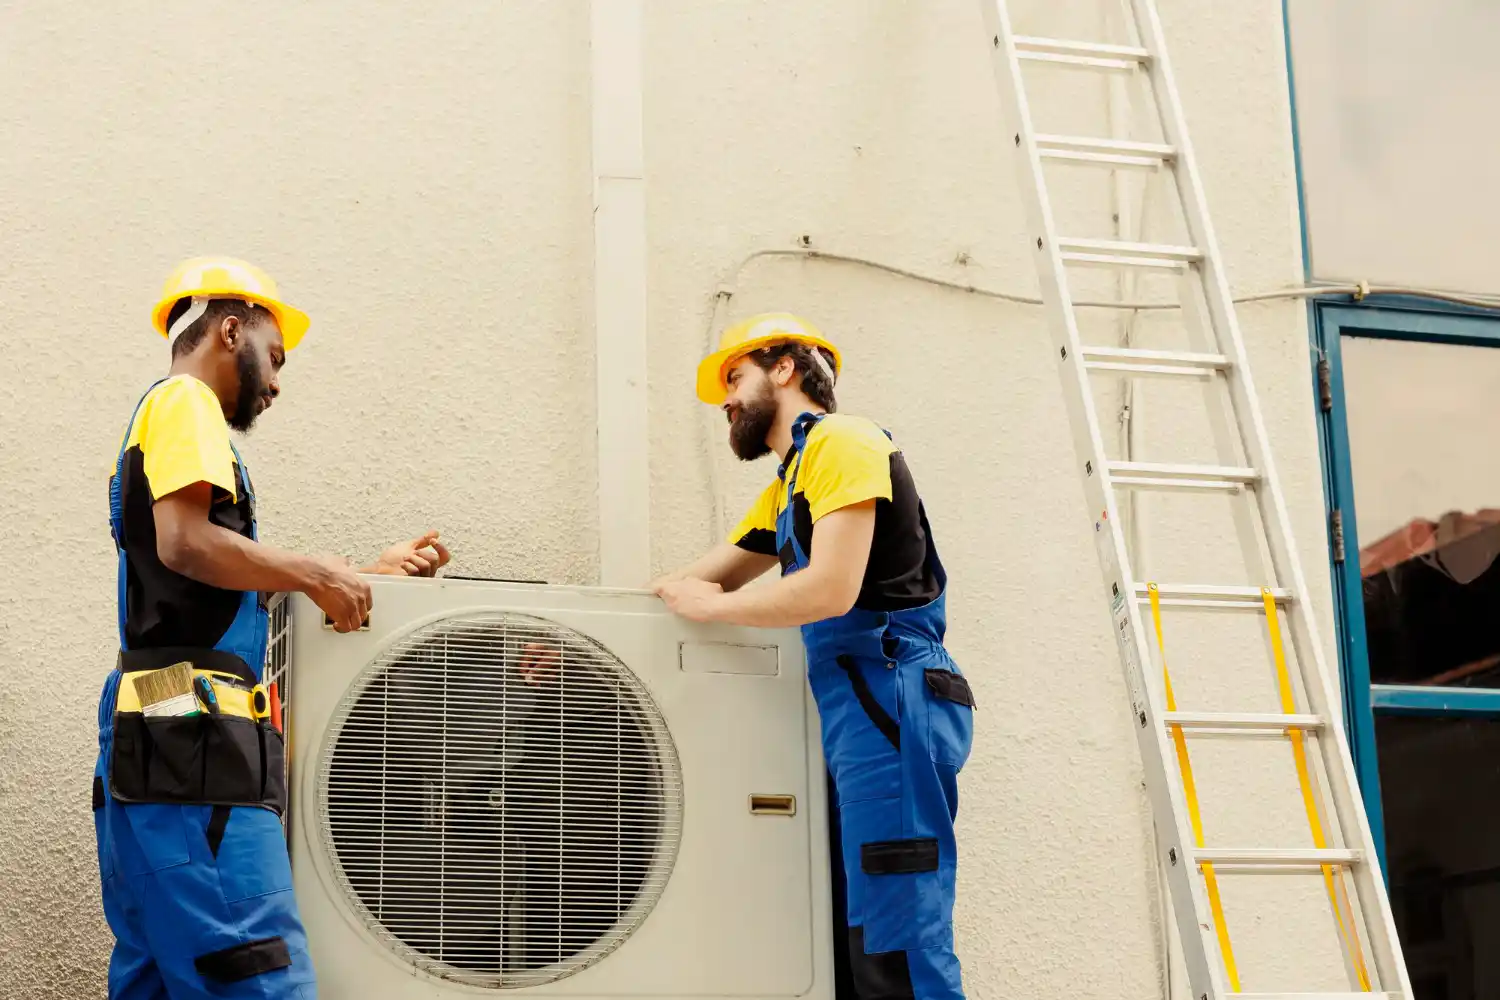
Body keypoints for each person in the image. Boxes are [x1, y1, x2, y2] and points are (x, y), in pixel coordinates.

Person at [93, 256, 452, 999]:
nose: (279, 382)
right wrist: (315, 574)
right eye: (276, 356)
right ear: (231, 329)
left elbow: (209, 586)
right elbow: (186, 542)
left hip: (156, 742)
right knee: (258, 975)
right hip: (197, 756)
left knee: (157, 981)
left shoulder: (159, 422)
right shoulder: (184, 402)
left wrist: (358, 575)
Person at [652, 312, 975, 1000]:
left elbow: (830, 588)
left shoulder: (845, 441)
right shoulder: (791, 483)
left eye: (733, 378)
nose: (726, 403)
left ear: (783, 368)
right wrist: (571, 641)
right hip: (855, 708)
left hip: (894, 696)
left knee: (897, 938)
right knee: (847, 938)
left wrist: (712, 608)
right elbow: (698, 581)